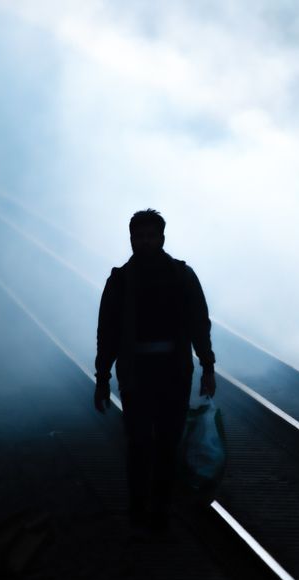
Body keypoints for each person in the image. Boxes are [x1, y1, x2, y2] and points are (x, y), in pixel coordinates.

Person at [94, 209, 216, 531]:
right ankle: (143, 514)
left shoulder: (179, 276)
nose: (145, 242)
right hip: (139, 375)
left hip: (171, 375)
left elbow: (198, 323)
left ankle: (156, 514)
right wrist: (102, 376)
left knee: (164, 445)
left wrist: (207, 365)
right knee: (140, 445)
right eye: (140, 237)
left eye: (151, 236)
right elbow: (106, 332)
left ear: (161, 238)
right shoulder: (121, 280)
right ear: (132, 239)